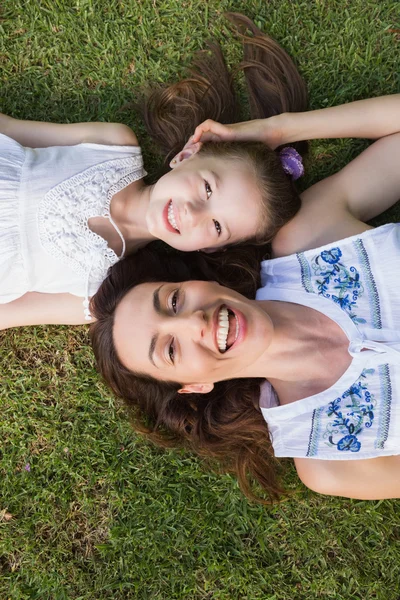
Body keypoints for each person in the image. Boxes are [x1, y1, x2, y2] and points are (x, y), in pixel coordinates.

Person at [90, 94, 400, 503]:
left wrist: (277, 131)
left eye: (174, 302)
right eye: (169, 350)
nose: (193, 323)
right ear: (195, 386)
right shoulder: (329, 460)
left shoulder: (310, 238)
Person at [0, 13, 308, 330]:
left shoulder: (100, 295)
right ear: (187, 155)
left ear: (211, 247)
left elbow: (7, 315)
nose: (192, 212)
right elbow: (10, 130)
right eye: (207, 189)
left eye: (217, 225)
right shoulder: (113, 147)